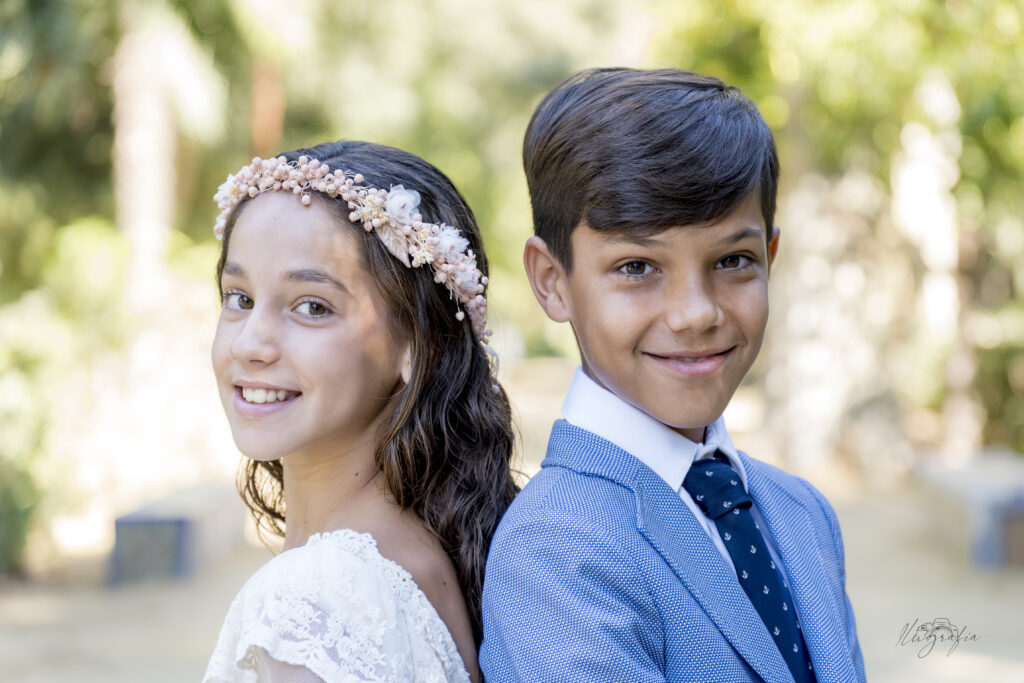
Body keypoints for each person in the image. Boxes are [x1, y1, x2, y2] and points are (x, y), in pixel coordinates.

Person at [479, 68, 865, 682]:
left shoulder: (801, 511)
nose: (696, 313)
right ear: (553, 282)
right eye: (637, 266)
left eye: (733, 260)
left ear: (771, 256)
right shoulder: (555, 551)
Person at [202, 140, 517, 682]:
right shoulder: (414, 554)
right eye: (240, 298)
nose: (251, 344)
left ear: (416, 346)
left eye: (312, 307)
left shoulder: (318, 598)